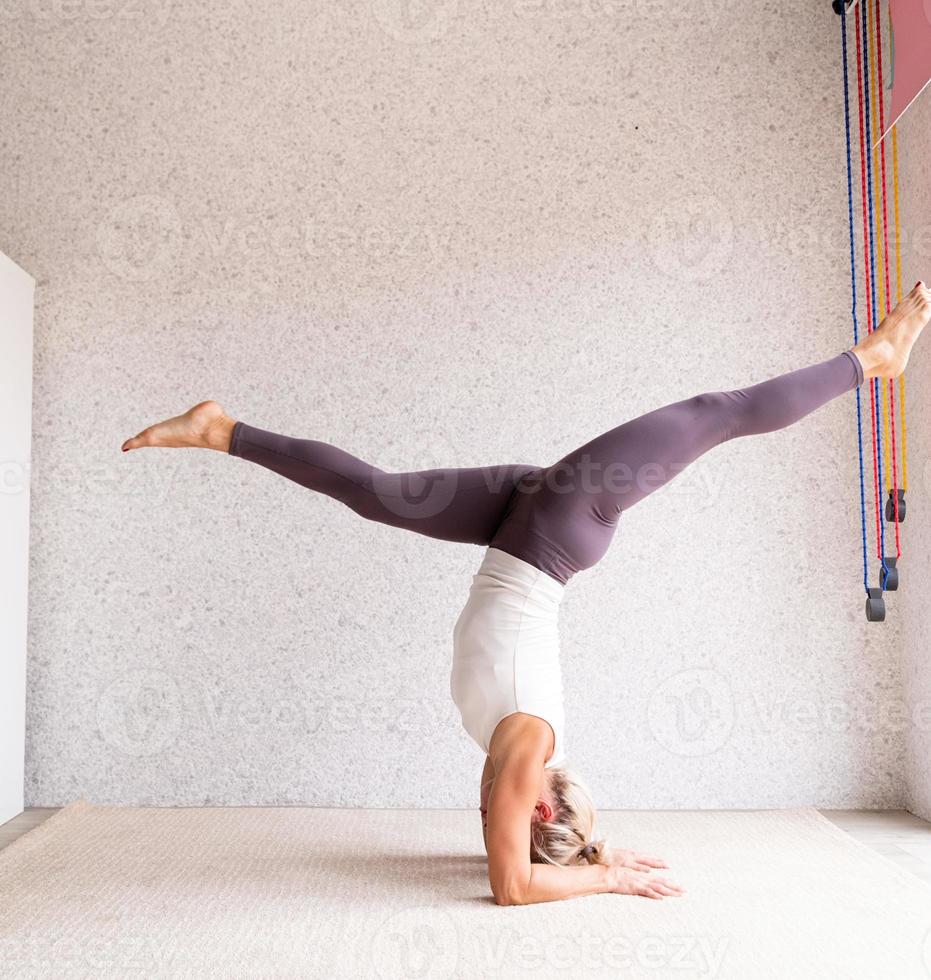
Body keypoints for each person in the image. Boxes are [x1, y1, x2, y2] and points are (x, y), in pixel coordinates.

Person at [122, 282, 931, 906]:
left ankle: (221, 429)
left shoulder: (505, 744)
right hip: (552, 527)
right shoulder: (524, 747)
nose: (487, 827)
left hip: (521, 523)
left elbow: (512, 869)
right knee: (712, 415)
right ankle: (871, 360)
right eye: (500, 826)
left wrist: (591, 853)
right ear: (535, 812)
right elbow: (513, 888)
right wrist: (600, 872)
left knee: (375, 493)